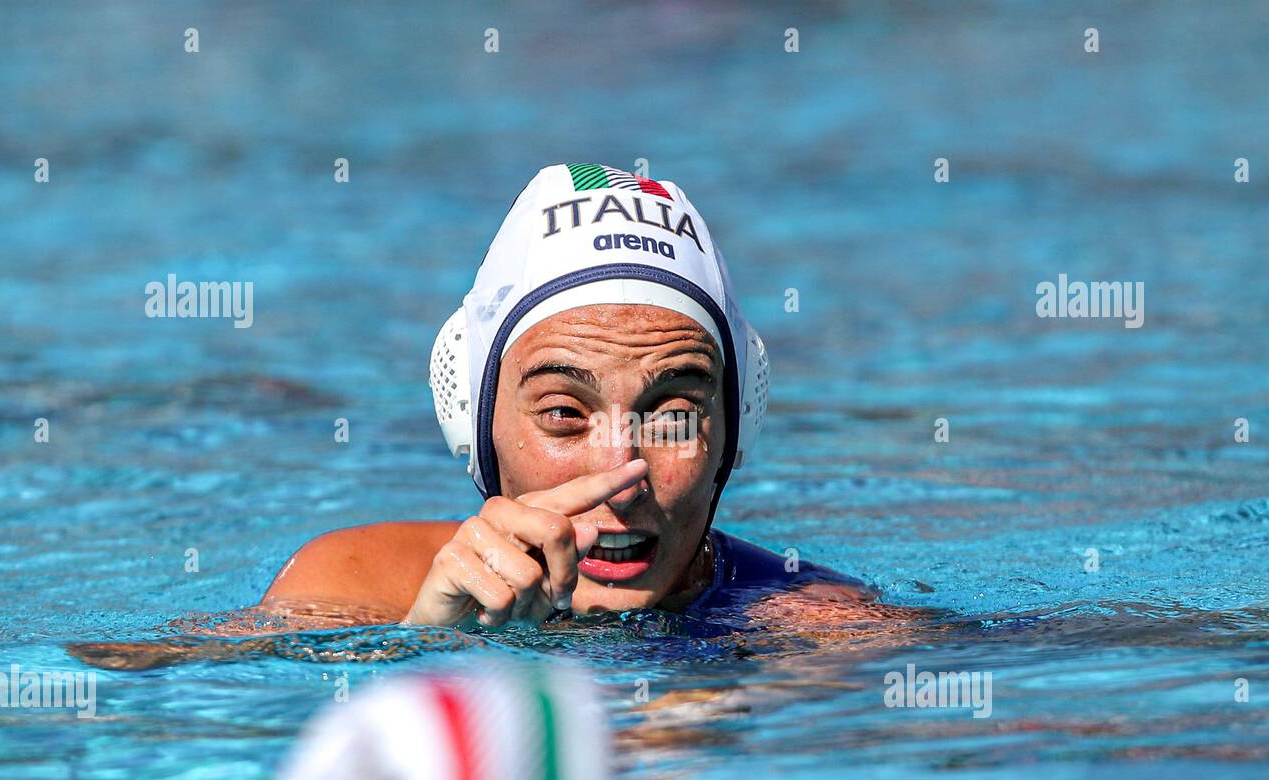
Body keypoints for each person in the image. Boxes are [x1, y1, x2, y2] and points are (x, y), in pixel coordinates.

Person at [262, 163, 889, 634]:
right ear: (476, 426)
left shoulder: (819, 630)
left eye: (672, 418)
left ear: (733, 431)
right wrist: (430, 654)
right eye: (564, 414)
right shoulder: (353, 586)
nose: (620, 479)